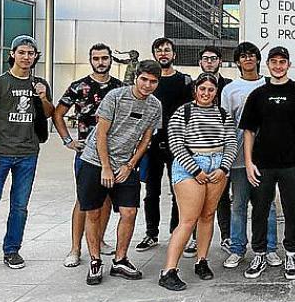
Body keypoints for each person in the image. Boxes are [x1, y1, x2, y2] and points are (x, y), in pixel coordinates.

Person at [77, 60, 162, 285]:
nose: (147, 85)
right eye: (144, 79)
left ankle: (120, 260)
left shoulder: (155, 106)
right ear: (136, 78)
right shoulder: (115, 97)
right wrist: (106, 167)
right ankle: (95, 261)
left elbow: (146, 139)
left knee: (129, 212)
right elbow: (101, 133)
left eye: (153, 81)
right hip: (95, 161)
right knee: (93, 213)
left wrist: (130, 165)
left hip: (125, 164)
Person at [158, 73, 237, 290]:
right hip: (190, 166)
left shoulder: (223, 114)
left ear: (216, 92)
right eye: (202, 89)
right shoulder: (182, 112)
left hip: (217, 165)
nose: (206, 93)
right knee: (188, 219)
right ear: (195, 90)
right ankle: (169, 270)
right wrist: (195, 170)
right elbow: (175, 144)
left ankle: (201, 260)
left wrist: (223, 167)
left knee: (208, 215)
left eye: (211, 89)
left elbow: (231, 142)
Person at [53, 43, 124, 267]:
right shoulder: (78, 86)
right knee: (83, 200)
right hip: (86, 153)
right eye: (96, 58)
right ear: (90, 60)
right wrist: (68, 140)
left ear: (111, 59)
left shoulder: (120, 88)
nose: (100, 62)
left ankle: (99, 240)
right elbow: (58, 114)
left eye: (104, 58)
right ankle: (75, 248)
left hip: (112, 154)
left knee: (106, 199)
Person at [240, 46, 295, 280]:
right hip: (262, 164)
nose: (278, 66)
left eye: (282, 62)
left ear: (288, 64)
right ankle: (259, 254)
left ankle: (291, 255)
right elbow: (249, 131)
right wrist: (249, 162)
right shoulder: (258, 95)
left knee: (292, 210)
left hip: (292, 164)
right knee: (259, 211)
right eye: (274, 62)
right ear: (267, 64)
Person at [0, 35, 53, 269]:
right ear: (12, 54)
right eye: (22, 52)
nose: (26, 57)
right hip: (0, 153)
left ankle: (12, 250)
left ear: (35, 56)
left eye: (31, 53)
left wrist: (42, 96)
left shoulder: (39, 84)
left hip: (28, 153)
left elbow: (48, 113)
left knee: (19, 206)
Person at [221, 42, 280, 269]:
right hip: (238, 158)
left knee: (267, 205)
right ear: (237, 61)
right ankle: (237, 249)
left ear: (257, 59)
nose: (248, 59)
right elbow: (226, 125)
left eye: (252, 55)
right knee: (238, 205)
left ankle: (270, 248)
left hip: (266, 157)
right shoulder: (230, 89)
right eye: (243, 56)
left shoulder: (269, 84)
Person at [135, 38, 191, 253]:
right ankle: (151, 233)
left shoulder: (185, 81)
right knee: (151, 192)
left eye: (167, 50)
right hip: (151, 145)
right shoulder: (148, 83)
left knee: (179, 191)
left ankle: (177, 232)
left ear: (174, 54)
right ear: (154, 55)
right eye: (159, 50)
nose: (163, 54)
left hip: (178, 145)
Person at [195, 46, 233, 253]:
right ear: (200, 62)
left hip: (221, 150)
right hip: (197, 152)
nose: (209, 62)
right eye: (205, 58)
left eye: (213, 58)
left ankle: (226, 236)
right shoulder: (192, 86)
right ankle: (194, 238)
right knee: (196, 197)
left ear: (220, 61)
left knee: (222, 197)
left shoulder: (229, 85)